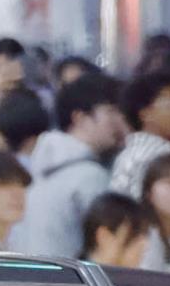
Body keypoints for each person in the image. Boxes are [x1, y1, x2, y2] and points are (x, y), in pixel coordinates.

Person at [9, 74, 125, 259]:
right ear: (80, 118)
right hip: (68, 281)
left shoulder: (40, 163)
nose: (118, 121)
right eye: (110, 112)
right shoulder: (89, 176)